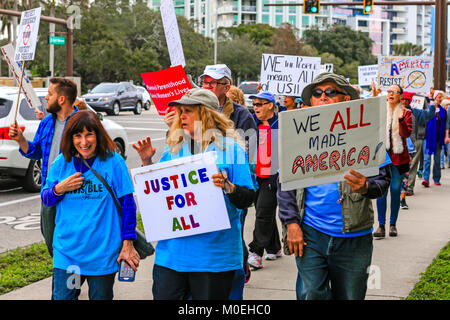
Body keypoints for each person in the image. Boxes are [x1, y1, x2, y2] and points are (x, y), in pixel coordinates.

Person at [277, 72, 392, 300]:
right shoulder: (297, 135)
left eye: (330, 92)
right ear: (310, 101)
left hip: (354, 236)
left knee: (351, 296)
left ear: (345, 99)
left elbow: (383, 179)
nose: (323, 97)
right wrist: (291, 224)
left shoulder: (365, 133)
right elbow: (285, 186)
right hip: (311, 232)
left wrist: (366, 187)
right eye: (317, 93)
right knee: (310, 293)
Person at [133, 88, 255, 300]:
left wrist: (228, 187)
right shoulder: (174, 148)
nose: (182, 116)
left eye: (188, 111)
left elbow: (247, 198)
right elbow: (158, 193)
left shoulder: (232, 149)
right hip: (171, 257)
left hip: (214, 258)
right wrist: (146, 164)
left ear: (206, 114)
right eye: (181, 111)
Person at [41, 110, 140, 300]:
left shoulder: (114, 162)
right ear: (71, 138)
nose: (83, 142)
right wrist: (59, 189)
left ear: (98, 135)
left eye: (89, 135)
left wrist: (128, 243)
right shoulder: (61, 163)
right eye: (78, 136)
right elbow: (46, 199)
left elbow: (128, 205)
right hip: (69, 257)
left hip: (102, 255)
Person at [8, 77, 79, 256]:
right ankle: (62, 272)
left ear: (61, 99)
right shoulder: (47, 122)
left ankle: (73, 274)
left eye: (49, 94)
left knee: (75, 241)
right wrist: (20, 139)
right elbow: (35, 152)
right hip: (50, 192)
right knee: (51, 240)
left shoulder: (83, 122)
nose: (46, 97)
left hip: (76, 193)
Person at [247, 92, 281, 270]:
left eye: (260, 104)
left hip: (273, 175)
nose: (256, 107)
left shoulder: (282, 123)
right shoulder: (250, 122)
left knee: (262, 212)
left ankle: (256, 252)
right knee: (265, 211)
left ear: (271, 105)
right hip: (254, 176)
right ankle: (274, 247)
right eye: (255, 104)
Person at [374, 85, 412, 238]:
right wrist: (373, 96)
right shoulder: (381, 109)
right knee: (381, 192)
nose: (390, 94)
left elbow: (406, 133)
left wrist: (401, 119)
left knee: (395, 190)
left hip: (398, 158)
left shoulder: (406, 113)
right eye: (388, 91)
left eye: (394, 92)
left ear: (400, 95)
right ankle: (381, 225)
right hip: (382, 157)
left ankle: (393, 224)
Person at [401, 92, 436, 196]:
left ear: (410, 101)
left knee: (413, 165)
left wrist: (432, 102)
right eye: (402, 99)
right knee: (400, 166)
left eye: (406, 100)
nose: (404, 102)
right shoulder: (395, 111)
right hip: (400, 142)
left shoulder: (416, 112)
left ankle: (409, 188)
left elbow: (430, 114)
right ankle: (400, 187)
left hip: (416, 140)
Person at [422, 90, 447, 187]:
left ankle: (436, 178)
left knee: (437, 161)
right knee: (427, 160)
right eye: (438, 97)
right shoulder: (428, 109)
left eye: (441, 97)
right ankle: (426, 179)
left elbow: (445, 124)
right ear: (435, 98)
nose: (440, 99)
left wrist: (445, 136)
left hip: (438, 139)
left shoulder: (443, 111)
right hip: (428, 138)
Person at [439, 99, 450, 169]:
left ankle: (449, 162)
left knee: (448, 149)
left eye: (448, 105)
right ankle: (441, 163)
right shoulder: (440, 112)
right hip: (441, 132)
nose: (447, 106)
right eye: (446, 105)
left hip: (448, 132)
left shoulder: (448, 112)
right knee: (442, 149)